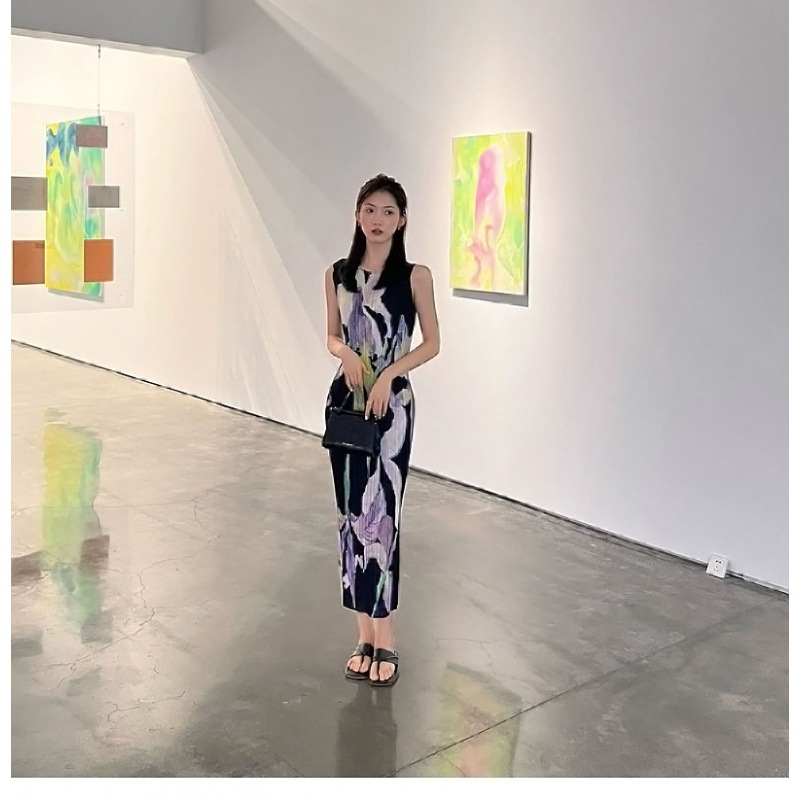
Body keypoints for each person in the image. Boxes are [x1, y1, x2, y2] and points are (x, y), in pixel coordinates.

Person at [323, 174, 441, 687]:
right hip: (346, 401)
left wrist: (390, 374)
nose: (377, 219)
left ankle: (386, 639)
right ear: (357, 214)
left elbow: (432, 343)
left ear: (402, 220)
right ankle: (363, 635)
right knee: (351, 515)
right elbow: (331, 336)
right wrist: (346, 353)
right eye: (369, 209)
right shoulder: (337, 274)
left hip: (392, 408)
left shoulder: (415, 277)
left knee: (384, 515)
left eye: (388, 211)